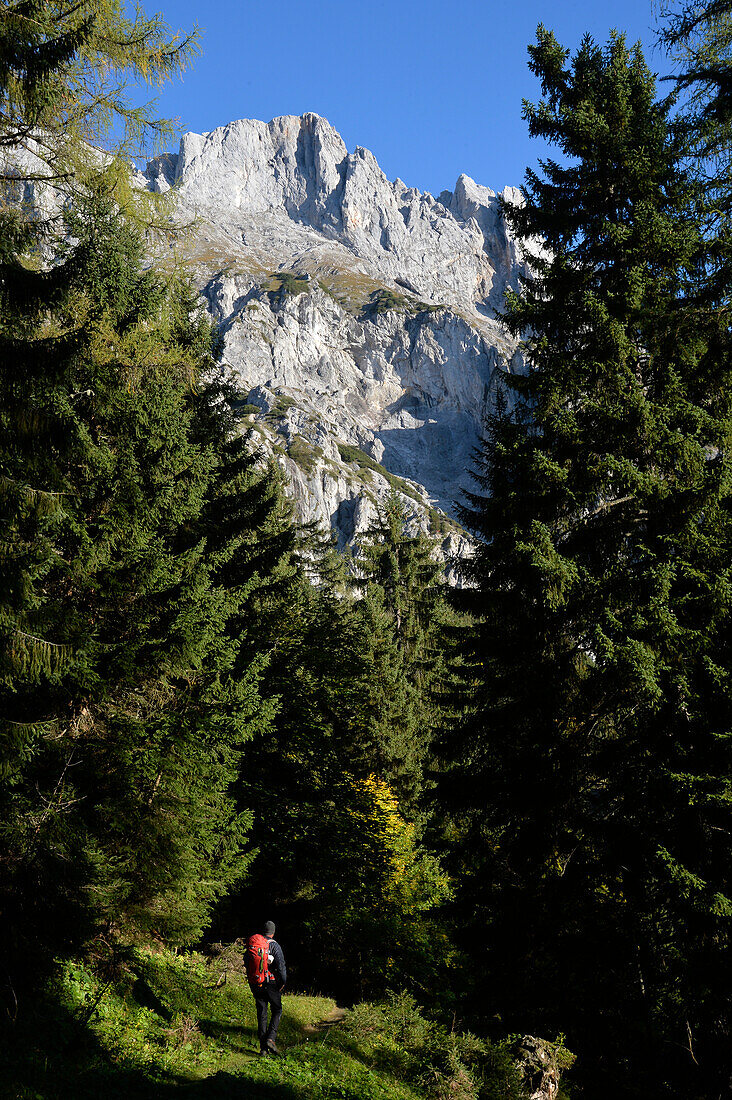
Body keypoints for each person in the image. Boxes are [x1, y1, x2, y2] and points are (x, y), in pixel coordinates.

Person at [249, 920, 286, 1056]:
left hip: (257, 983)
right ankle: (271, 1038)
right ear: (273, 932)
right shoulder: (275, 946)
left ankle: (263, 1048)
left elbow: (247, 962)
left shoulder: (254, 944)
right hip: (271, 983)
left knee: (262, 1013)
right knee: (277, 1009)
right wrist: (282, 983)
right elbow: (281, 967)